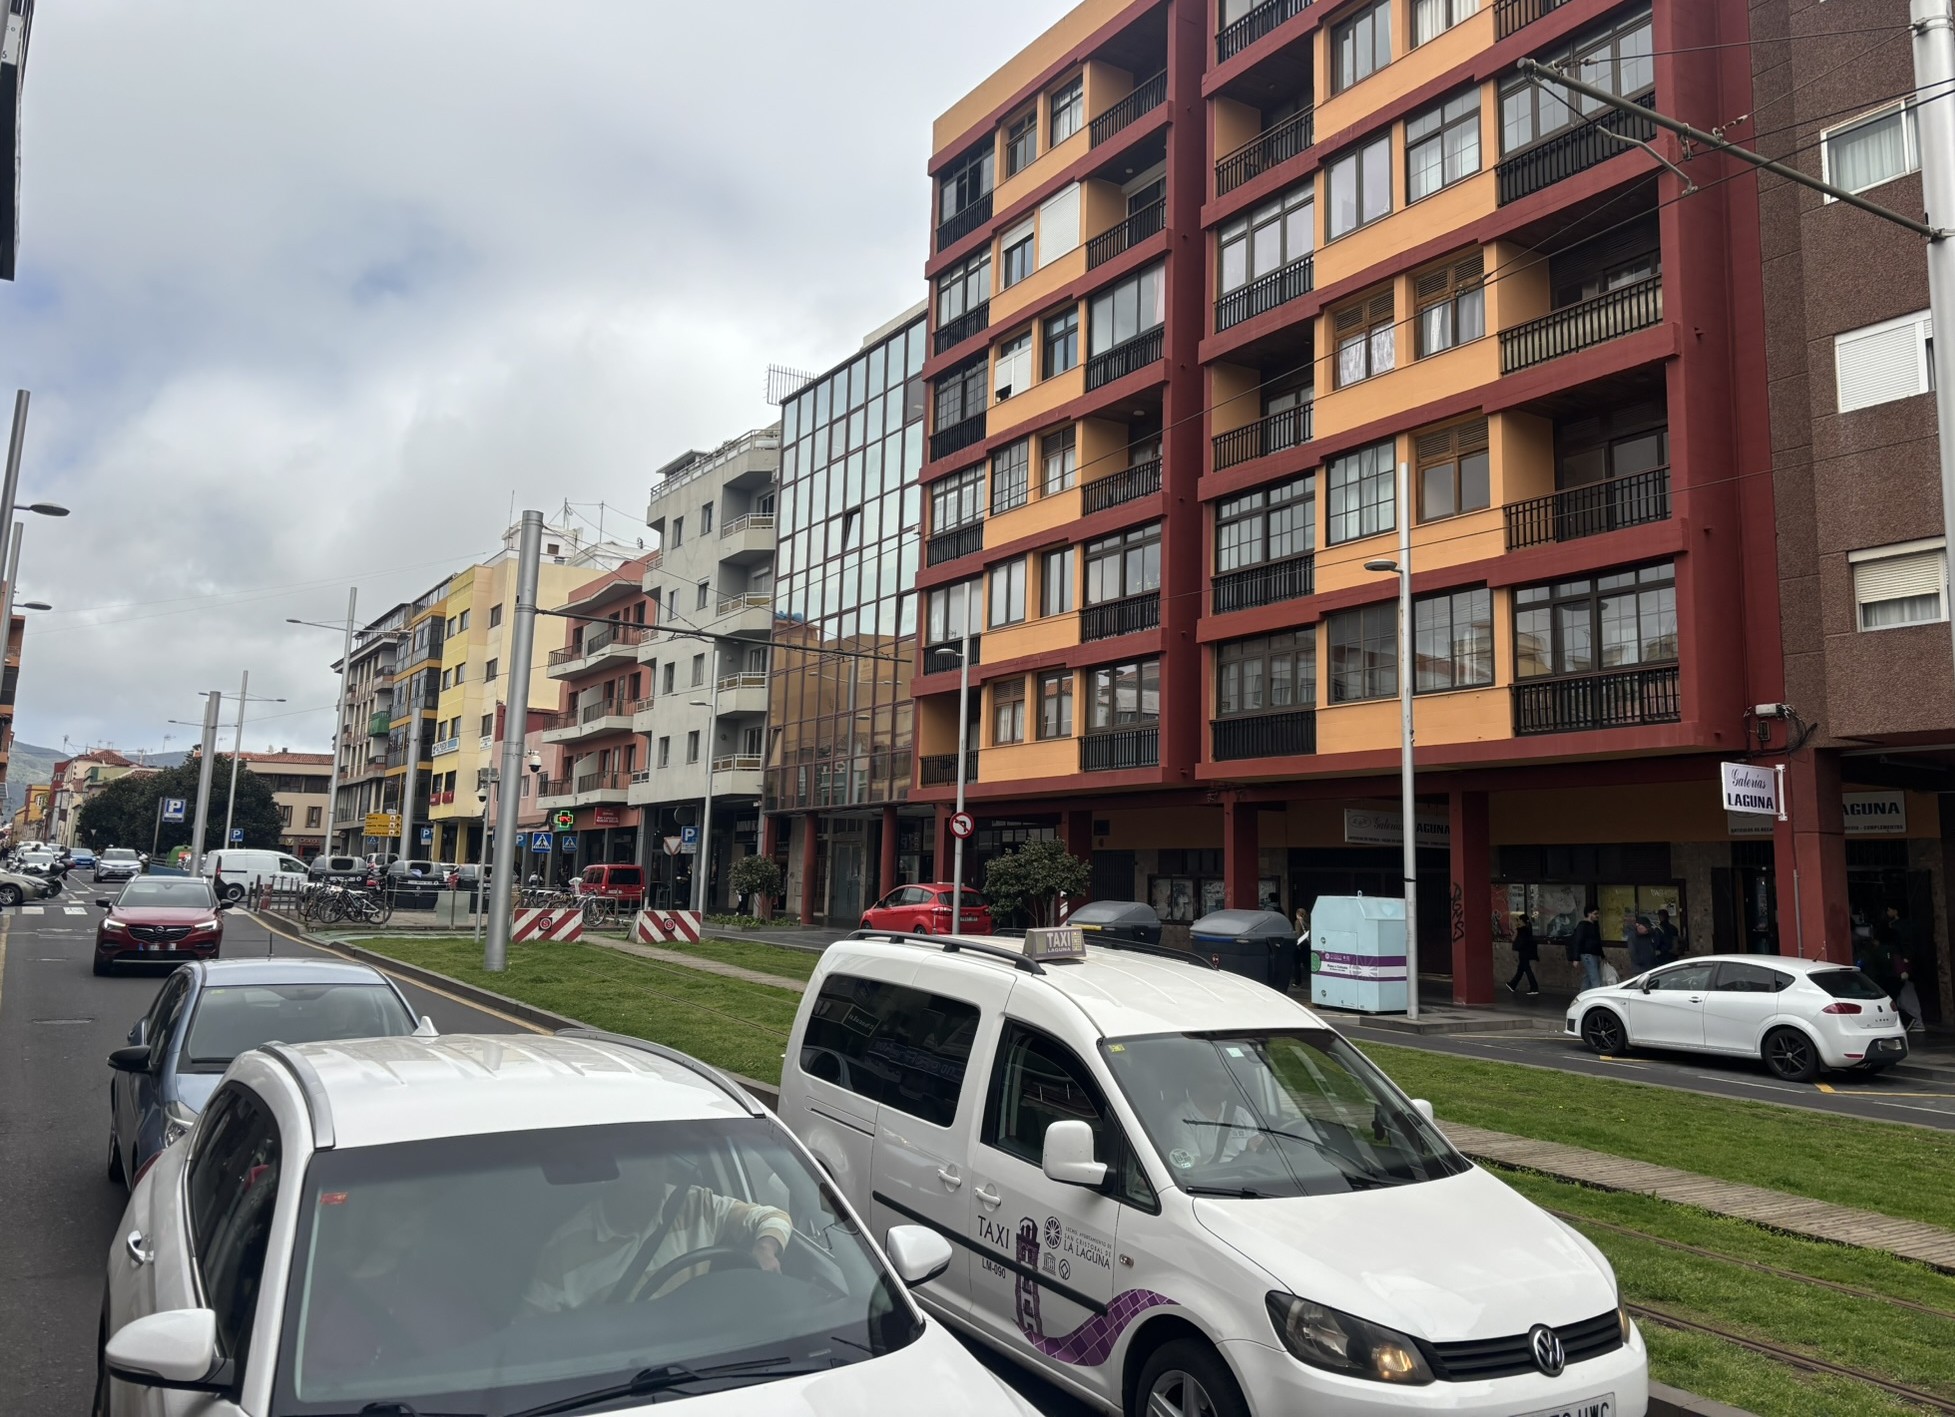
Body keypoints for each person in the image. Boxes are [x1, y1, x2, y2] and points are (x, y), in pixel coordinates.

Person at [525, 1158, 792, 1312]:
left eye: (654, 1167)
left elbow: (772, 1216)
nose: (647, 1181)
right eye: (635, 1170)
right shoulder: (563, 1250)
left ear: (667, 1170)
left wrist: (765, 1249)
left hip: (701, 1360)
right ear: (611, 1178)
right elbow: (530, 1339)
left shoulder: (695, 1204)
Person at [1572, 908, 1606, 991]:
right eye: (1595, 913)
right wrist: (1576, 958)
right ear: (1589, 914)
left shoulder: (1594, 925)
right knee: (1595, 979)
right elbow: (1578, 941)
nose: (1597, 916)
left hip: (1594, 954)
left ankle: (1582, 995)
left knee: (1588, 977)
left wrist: (1602, 956)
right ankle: (1597, 996)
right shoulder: (1583, 925)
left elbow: (1598, 941)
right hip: (1588, 955)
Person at [1507, 913, 1540, 996]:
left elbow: (1513, 939)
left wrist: (1513, 930)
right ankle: (1512, 984)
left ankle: (1534, 988)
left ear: (1522, 921)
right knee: (1521, 969)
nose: (1518, 922)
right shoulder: (1528, 929)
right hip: (1527, 951)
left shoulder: (1521, 930)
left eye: (1519, 920)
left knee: (1527, 969)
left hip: (1523, 952)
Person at [1626, 912, 1656, 976]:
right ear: (1638, 925)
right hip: (1639, 970)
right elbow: (1632, 953)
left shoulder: (1649, 935)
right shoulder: (1632, 937)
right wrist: (1641, 961)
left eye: (1648, 927)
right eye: (1646, 927)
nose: (1647, 929)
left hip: (1651, 968)